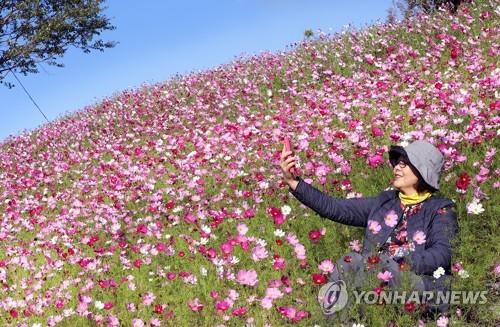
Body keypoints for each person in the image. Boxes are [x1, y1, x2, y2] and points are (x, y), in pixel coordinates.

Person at [280, 139, 459, 319]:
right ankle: (333, 321)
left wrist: (399, 260)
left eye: (404, 164)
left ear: (422, 172)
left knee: (375, 265)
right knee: (349, 262)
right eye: (397, 163)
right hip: (374, 276)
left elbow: (442, 254)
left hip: (417, 282)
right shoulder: (384, 203)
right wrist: (294, 181)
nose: (396, 167)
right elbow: (334, 207)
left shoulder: (440, 210)